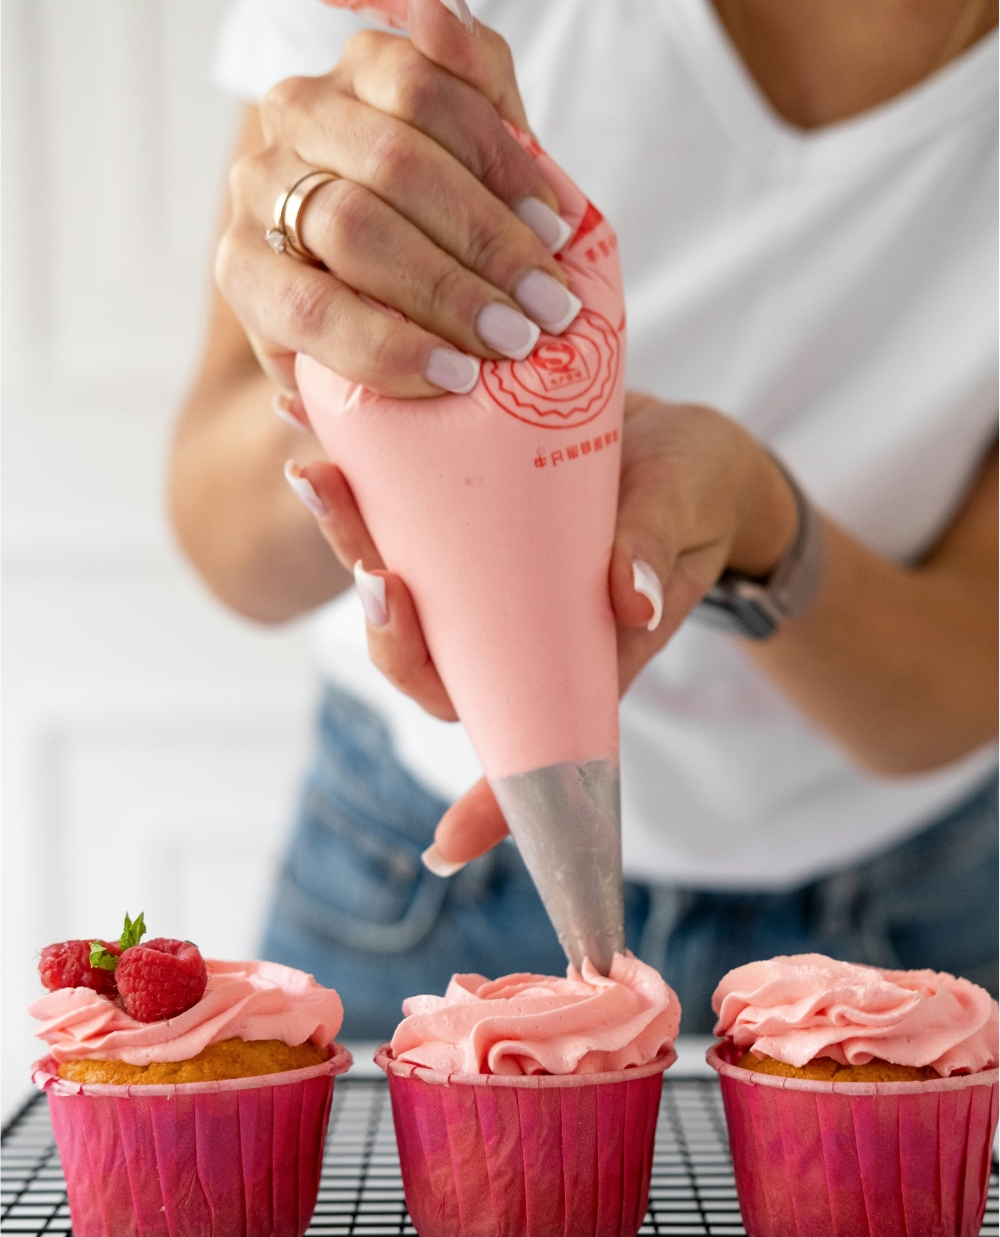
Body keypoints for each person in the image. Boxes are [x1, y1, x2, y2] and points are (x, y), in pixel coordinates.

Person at [170, 0, 999, 1037]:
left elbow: (972, 664)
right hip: (415, 875)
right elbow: (227, 546)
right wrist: (370, 384)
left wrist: (752, 520)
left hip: (906, 913)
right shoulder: (424, 24)